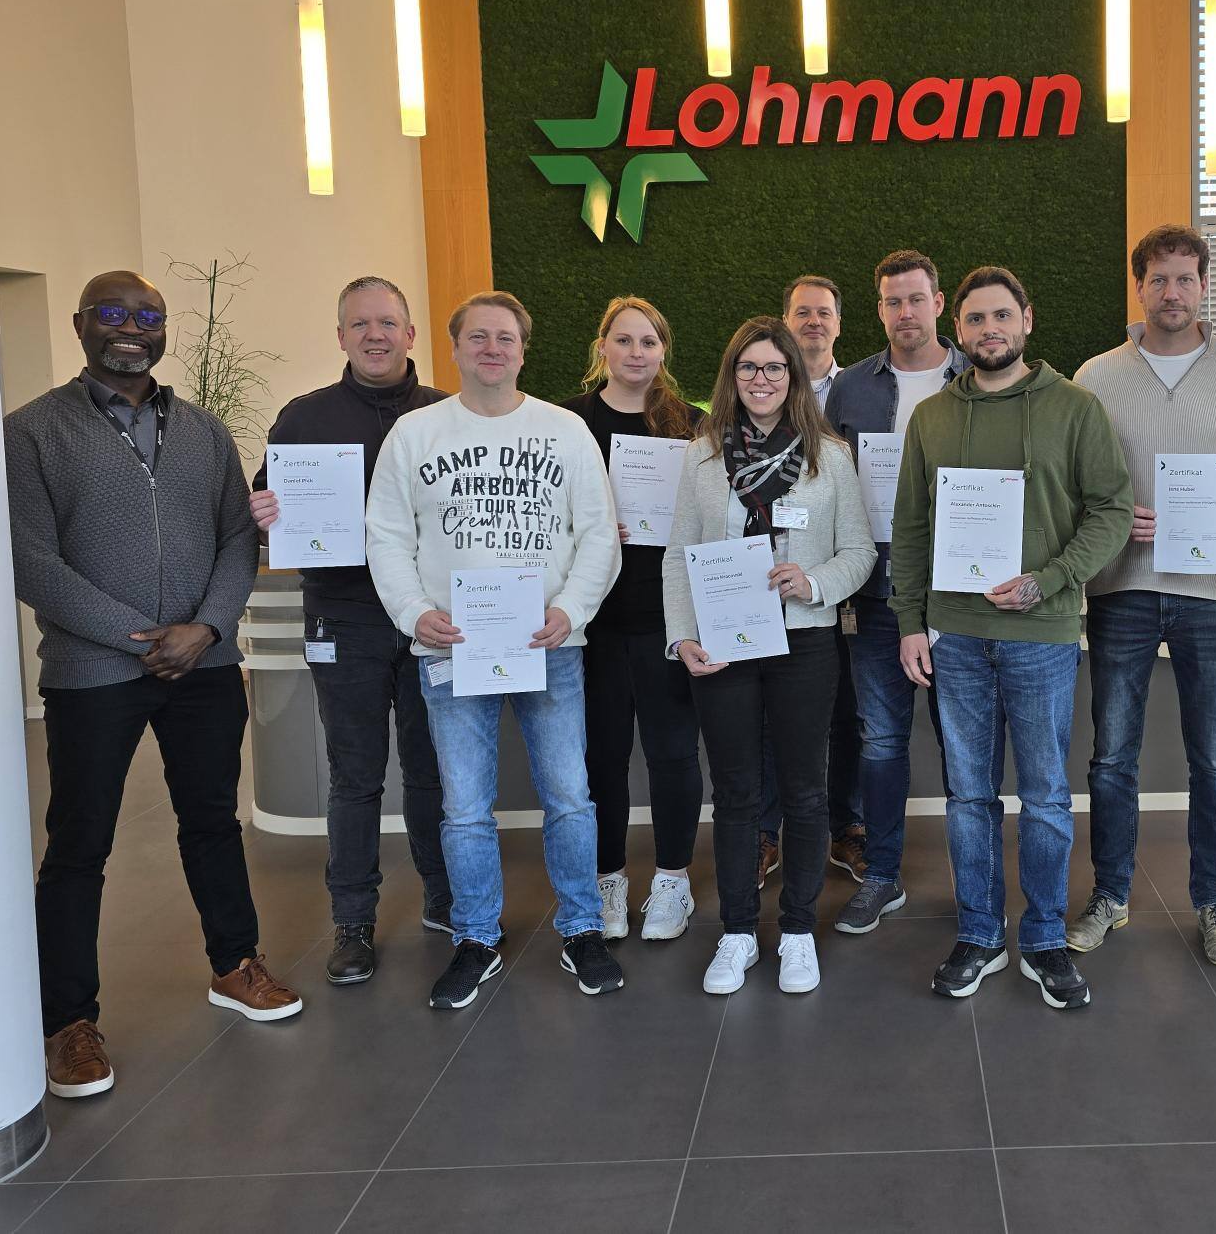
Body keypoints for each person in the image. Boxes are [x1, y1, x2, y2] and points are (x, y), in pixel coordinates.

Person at [6, 271, 299, 1102]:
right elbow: (30, 560)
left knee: (212, 822)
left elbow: (238, 537)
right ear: (80, 325)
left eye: (147, 315)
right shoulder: (30, 432)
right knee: (80, 844)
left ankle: (235, 964)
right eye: (111, 312)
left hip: (205, 665)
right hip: (93, 672)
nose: (130, 326)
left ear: (164, 330)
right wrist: (139, 637)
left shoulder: (205, 432)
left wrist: (205, 628)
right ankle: (69, 1022)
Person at [365, 290, 622, 1010]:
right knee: (465, 807)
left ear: (523, 350)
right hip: (452, 646)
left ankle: (582, 928)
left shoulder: (565, 430)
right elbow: (386, 537)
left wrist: (570, 611)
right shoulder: (414, 434)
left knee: (569, 796)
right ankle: (475, 937)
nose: (491, 348)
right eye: (477, 336)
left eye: (505, 337)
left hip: (551, 643)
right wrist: (415, 614)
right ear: (452, 348)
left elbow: (598, 534)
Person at [891, 266, 1132, 1010]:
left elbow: (1112, 510)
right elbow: (911, 527)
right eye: (975, 319)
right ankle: (979, 933)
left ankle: (1046, 937)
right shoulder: (932, 417)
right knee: (968, 795)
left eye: (1001, 315)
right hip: (956, 635)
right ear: (957, 329)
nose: (988, 329)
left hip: (1042, 633)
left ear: (1026, 320)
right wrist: (910, 622)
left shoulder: (1075, 408)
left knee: (1046, 796)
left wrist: (1051, 580)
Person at [1070, 226, 1216, 963]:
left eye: (1186, 278)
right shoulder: (1097, 376)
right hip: (1121, 586)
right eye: (1158, 279)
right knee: (1111, 758)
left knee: (1213, 759)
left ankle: (1214, 903)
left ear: (1204, 285)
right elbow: (1078, 478)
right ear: (1139, 287)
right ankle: (1110, 895)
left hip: (1210, 592)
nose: (1172, 292)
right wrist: (1114, 515)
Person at [662, 317, 875, 995]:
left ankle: (798, 932)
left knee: (806, 791)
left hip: (804, 643)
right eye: (749, 367)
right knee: (736, 794)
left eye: (774, 368)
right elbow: (677, 556)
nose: (762, 379)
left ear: (794, 377)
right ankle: (737, 934)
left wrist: (813, 582)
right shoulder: (701, 458)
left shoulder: (829, 456)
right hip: (724, 644)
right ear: (733, 375)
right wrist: (681, 636)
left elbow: (859, 552)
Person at [249, 276, 451, 988]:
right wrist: (263, 512)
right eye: (360, 324)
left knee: (433, 769)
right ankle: (354, 921)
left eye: (387, 322)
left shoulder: (447, 415)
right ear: (340, 336)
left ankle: (443, 898)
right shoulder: (303, 419)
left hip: (432, 619)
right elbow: (265, 507)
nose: (375, 335)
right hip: (345, 617)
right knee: (355, 775)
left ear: (410, 334)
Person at [825, 249, 969, 934]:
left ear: (938, 303)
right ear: (879, 309)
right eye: (892, 301)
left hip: (964, 595)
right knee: (880, 741)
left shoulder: (979, 375)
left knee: (964, 745)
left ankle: (975, 882)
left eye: (916, 299)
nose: (905, 312)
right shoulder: (850, 389)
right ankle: (881, 876)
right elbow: (825, 484)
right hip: (877, 593)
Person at [561, 297, 705, 944]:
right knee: (601, 757)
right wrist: (587, 528)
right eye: (624, 340)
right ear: (602, 347)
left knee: (673, 753)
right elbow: (546, 514)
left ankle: (673, 880)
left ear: (663, 350)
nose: (636, 352)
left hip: (668, 616)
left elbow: (717, 511)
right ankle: (608, 879)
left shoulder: (691, 424)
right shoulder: (569, 423)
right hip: (593, 619)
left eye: (648, 341)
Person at [757, 274, 866, 886]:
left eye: (824, 312)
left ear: (839, 324)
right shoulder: (758, 393)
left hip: (844, 579)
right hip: (767, 589)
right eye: (802, 312)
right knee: (768, 715)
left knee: (847, 711)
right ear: (785, 321)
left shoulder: (861, 391)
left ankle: (845, 826)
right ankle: (766, 832)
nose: (814, 322)